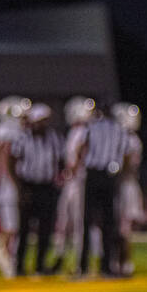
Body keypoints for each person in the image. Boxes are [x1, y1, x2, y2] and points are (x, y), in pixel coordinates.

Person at [11, 103, 63, 276]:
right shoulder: (23, 138)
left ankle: (40, 264)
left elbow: (59, 160)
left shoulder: (54, 138)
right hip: (29, 186)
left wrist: (58, 180)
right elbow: (14, 161)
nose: (43, 124)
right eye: (40, 121)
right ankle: (19, 265)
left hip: (47, 187)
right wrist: (19, 188)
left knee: (45, 229)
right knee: (24, 228)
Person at [74, 108, 127, 277]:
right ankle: (106, 266)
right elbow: (124, 154)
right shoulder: (119, 129)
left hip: (93, 174)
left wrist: (79, 168)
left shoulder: (91, 127)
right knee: (109, 223)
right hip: (109, 176)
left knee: (87, 221)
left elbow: (81, 148)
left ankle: (83, 266)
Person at [52, 96, 96, 271]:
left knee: (78, 223)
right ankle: (61, 256)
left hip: (79, 182)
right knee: (64, 222)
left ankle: (80, 260)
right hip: (74, 181)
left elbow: (81, 154)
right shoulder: (76, 131)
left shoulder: (85, 131)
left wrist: (70, 171)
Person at [0, 95, 30, 277]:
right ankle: (4, 253)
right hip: (9, 185)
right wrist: (14, 183)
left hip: (6, 184)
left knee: (13, 224)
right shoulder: (9, 133)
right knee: (12, 225)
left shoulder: (1, 132)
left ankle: (8, 254)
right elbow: (6, 161)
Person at [112, 101, 144, 276]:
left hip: (125, 186)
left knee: (122, 228)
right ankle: (122, 262)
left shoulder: (127, 139)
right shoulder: (133, 139)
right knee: (123, 228)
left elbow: (124, 165)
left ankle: (123, 262)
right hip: (129, 185)